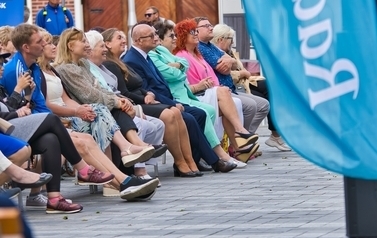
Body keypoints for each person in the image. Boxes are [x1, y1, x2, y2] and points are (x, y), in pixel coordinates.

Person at [53, 28, 167, 178]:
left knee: (113, 108)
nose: (87, 44)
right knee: (108, 109)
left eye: (87, 41)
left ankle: (134, 148)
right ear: (70, 46)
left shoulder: (83, 64)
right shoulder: (67, 69)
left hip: (95, 108)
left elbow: (100, 89)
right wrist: (117, 102)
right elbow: (89, 95)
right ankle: (132, 150)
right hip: (81, 113)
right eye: (83, 41)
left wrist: (119, 101)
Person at [122, 23, 237, 173]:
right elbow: (148, 90)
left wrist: (173, 99)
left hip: (165, 100)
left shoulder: (147, 55)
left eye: (155, 34)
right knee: (190, 117)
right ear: (138, 40)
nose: (155, 38)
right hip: (152, 104)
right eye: (151, 36)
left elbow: (181, 68)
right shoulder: (133, 59)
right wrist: (172, 103)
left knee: (200, 114)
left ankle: (196, 160)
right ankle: (212, 161)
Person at [93, 28, 202, 176]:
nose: (124, 41)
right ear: (108, 44)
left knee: (176, 112)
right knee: (170, 114)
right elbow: (123, 92)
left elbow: (137, 84)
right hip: (133, 103)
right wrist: (144, 98)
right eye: (119, 38)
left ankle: (189, 161)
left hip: (138, 100)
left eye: (124, 37)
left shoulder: (119, 62)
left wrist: (147, 93)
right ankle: (180, 161)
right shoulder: (112, 64)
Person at [154, 20, 259, 164]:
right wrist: (199, 84)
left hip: (204, 92)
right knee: (227, 97)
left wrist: (179, 67)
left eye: (196, 31)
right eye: (193, 32)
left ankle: (237, 147)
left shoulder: (197, 54)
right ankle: (238, 140)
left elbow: (220, 67)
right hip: (194, 95)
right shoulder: (182, 54)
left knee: (231, 99)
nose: (196, 34)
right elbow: (182, 77)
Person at [212, 24, 291, 152]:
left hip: (242, 84)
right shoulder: (214, 53)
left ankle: (257, 136)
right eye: (231, 39)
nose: (233, 42)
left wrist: (241, 71)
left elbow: (239, 70)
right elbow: (222, 74)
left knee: (271, 90)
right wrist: (241, 73)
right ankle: (244, 139)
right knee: (259, 101)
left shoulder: (228, 52)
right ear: (221, 39)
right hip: (235, 87)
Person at [194, 17, 270, 135]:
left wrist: (230, 61)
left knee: (263, 104)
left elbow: (233, 64)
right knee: (251, 106)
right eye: (206, 26)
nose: (211, 28)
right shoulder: (200, 47)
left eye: (210, 25)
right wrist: (231, 63)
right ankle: (240, 139)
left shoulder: (210, 46)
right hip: (219, 91)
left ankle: (245, 138)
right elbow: (223, 69)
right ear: (196, 31)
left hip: (232, 89)